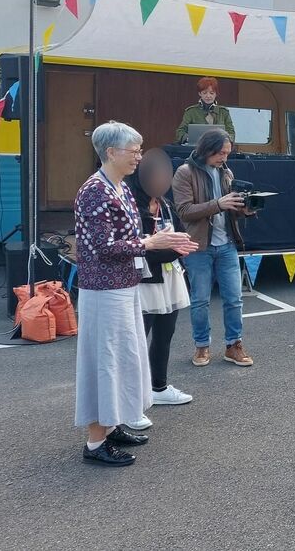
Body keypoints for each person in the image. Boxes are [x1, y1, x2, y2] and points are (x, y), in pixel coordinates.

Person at [75, 121, 196, 467]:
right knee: (107, 362)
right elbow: (103, 246)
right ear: (111, 152)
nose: (140, 157)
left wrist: (165, 241)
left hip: (125, 285)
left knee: (124, 359)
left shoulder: (121, 187)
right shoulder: (95, 191)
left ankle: (111, 426)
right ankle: (95, 443)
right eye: (134, 151)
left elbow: (128, 240)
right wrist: (150, 242)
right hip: (104, 290)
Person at [172, 129, 255, 368]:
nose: (224, 158)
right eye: (220, 153)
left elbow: (231, 209)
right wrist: (218, 204)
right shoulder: (184, 172)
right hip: (198, 246)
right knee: (200, 300)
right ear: (206, 149)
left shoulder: (226, 172)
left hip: (226, 243)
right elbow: (185, 211)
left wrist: (244, 209)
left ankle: (234, 345)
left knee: (234, 299)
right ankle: (201, 346)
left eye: (227, 153)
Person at [126, 150, 195, 432]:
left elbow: (178, 234)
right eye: (155, 177)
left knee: (165, 335)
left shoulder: (165, 204)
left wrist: (181, 245)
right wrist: (171, 250)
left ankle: (159, 386)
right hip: (144, 282)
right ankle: (130, 402)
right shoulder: (133, 207)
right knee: (136, 342)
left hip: (169, 279)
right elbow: (138, 249)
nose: (161, 182)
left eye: (165, 176)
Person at [175, 77, 236, 144]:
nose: (208, 96)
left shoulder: (224, 112)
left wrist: (226, 140)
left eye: (211, 93)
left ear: (216, 94)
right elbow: (180, 131)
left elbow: (231, 133)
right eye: (204, 93)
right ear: (199, 93)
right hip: (197, 148)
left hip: (218, 149)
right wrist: (189, 138)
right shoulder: (191, 112)